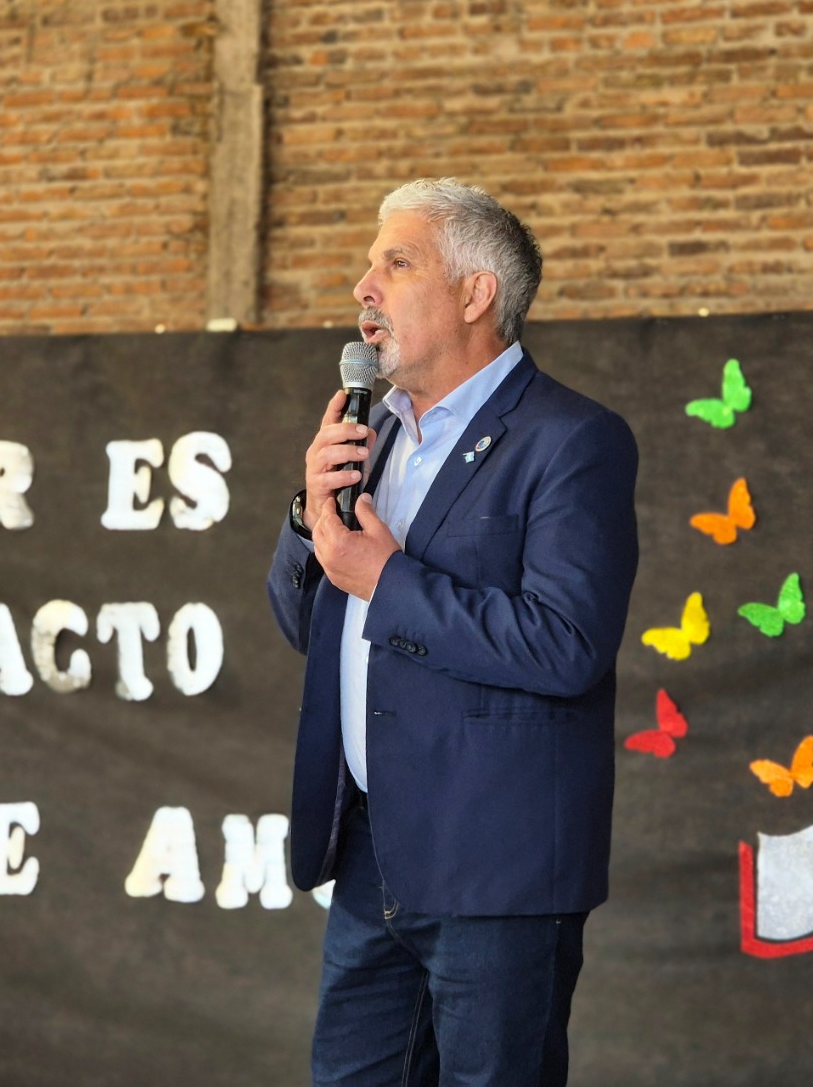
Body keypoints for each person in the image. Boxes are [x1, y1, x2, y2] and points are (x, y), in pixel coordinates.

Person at [266, 178, 639, 1087]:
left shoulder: (570, 440)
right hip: (370, 855)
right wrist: (303, 512)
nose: (364, 285)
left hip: (497, 871)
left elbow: (564, 642)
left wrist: (386, 579)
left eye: (396, 262)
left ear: (476, 295)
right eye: (368, 264)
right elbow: (300, 621)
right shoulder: (372, 435)